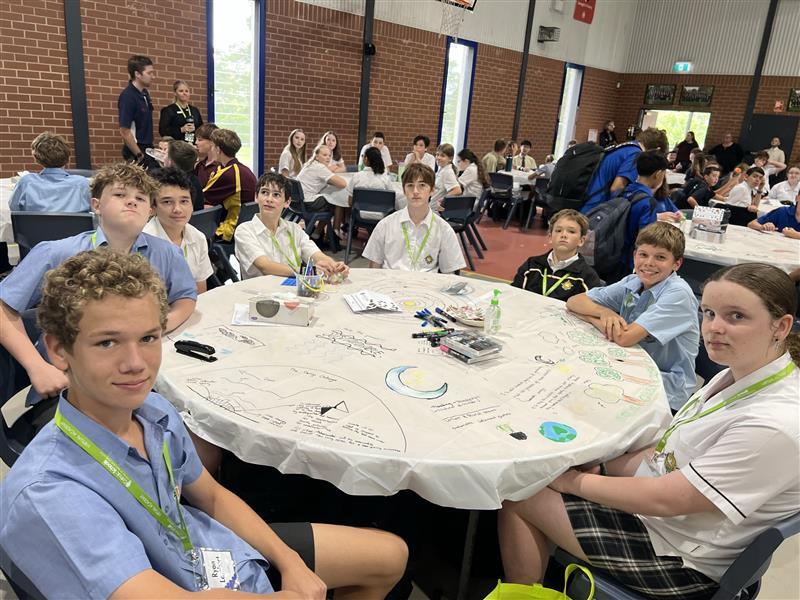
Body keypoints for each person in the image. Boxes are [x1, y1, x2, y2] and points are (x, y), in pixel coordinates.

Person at [0, 249, 408, 599]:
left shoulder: (154, 412)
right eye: (108, 342)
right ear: (59, 350)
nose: (136, 364)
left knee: (391, 555)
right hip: (178, 586)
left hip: (210, 551)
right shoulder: (50, 491)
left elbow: (211, 496)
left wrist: (290, 562)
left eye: (148, 338)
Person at [502, 262, 799, 599]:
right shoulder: (739, 372)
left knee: (521, 491)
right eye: (709, 313)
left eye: (736, 316)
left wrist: (569, 481)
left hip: (683, 562)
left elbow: (667, 499)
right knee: (555, 471)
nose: (714, 328)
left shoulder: (775, 423)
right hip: (676, 528)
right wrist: (599, 468)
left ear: (781, 326)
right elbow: (668, 453)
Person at [0, 163, 197, 401]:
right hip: (73, 383)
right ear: (96, 205)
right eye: (120, 194)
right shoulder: (56, 253)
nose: (132, 202)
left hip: (140, 374)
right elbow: (4, 306)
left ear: (150, 211)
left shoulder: (167, 253)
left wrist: (157, 329)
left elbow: (185, 296)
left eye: (141, 198)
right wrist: (36, 366)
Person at [567, 222, 699, 411]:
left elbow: (624, 338)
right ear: (634, 255)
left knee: (585, 398)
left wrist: (590, 317)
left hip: (665, 386)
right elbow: (574, 301)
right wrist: (605, 312)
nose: (649, 263)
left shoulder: (678, 294)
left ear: (676, 264)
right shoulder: (633, 281)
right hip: (629, 365)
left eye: (660, 257)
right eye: (643, 254)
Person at [235, 172, 350, 280]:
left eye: (276, 195)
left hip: (292, 289)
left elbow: (314, 253)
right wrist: (308, 271)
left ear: (287, 202)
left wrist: (334, 266)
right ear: (256, 197)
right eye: (264, 192)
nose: (269, 199)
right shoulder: (244, 231)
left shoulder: (294, 229)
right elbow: (265, 266)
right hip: (261, 291)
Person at [363, 163, 466, 274]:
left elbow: (449, 274)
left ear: (432, 190)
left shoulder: (444, 229)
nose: (415, 191)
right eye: (410, 185)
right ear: (404, 190)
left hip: (426, 283)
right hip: (390, 282)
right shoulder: (385, 225)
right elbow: (374, 269)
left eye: (422, 185)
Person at [144, 167, 214, 293]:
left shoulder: (198, 237)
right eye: (167, 202)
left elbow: (200, 289)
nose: (177, 209)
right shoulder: (143, 244)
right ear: (153, 207)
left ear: (192, 205)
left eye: (184, 201)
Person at [512, 210, 602, 301]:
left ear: (581, 241)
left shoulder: (588, 277)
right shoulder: (531, 265)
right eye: (558, 230)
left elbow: (589, 307)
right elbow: (513, 295)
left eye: (571, 232)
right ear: (550, 237)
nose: (563, 235)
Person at [580, 127, 669, 215]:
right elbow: (616, 188)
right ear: (657, 150)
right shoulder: (635, 154)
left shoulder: (627, 147)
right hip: (596, 209)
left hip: (588, 202)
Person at [9, 131, 90, 212]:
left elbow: (15, 210)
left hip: (36, 221)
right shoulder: (82, 184)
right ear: (68, 157)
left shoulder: (26, 182)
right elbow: (94, 209)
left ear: (36, 159)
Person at [202, 128, 257, 241]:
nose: (211, 150)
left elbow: (200, 198)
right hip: (244, 228)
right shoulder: (243, 169)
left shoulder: (229, 173)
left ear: (218, 149)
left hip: (228, 232)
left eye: (212, 147)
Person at [118, 55, 156, 166]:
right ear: (137, 74)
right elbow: (124, 131)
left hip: (147, 147)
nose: (153, 76)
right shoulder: (128, 97)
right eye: (149, 73)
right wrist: (139, 155)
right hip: (137, 150)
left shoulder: (144, 93)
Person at [346, 146, 402, 213]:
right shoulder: (385, 179)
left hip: (359, 216)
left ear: (366, 159)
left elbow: (350, 202)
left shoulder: (356, 177)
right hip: (381, 216)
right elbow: (391, 201)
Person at [297, 144, 347, 216]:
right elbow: (343, 184)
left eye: (329, 155)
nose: (328, 158)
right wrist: (330, 171)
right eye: (325, 155)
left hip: (297, 202)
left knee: (333, 199)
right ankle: (336, 223)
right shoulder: (320, 167)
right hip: (308, 203)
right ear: (317, 157)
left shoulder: (309, 164)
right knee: (338, 201)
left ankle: (322, 223)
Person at [164, 140, 206, 210]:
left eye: (165, 154)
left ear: (170, 161)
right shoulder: (195, 180)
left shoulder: (170, 184)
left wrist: (165, 169)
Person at [158, 80, 204, 144]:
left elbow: (201, 129)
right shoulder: (169, 110)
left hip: (192, 145)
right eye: (181, 91)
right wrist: (181, 129)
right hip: (176, 146)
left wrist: (195, 129)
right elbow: (163, 131)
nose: (184, 93)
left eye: (186, 91)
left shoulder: (194, 110)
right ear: (175, 93)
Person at [430, 144, 462, 209]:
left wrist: (442, 200)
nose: (438, 158)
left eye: (442, 156)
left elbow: (457, 190)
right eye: (437, 154)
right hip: (432, 206)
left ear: (450, 159)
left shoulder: (447, 172)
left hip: (437, 210)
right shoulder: (442, 169)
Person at [193, 123, 219, 188]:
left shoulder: (221, 166)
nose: (196, 142)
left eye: (200, 140)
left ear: (212, 141)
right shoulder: (199, 165)